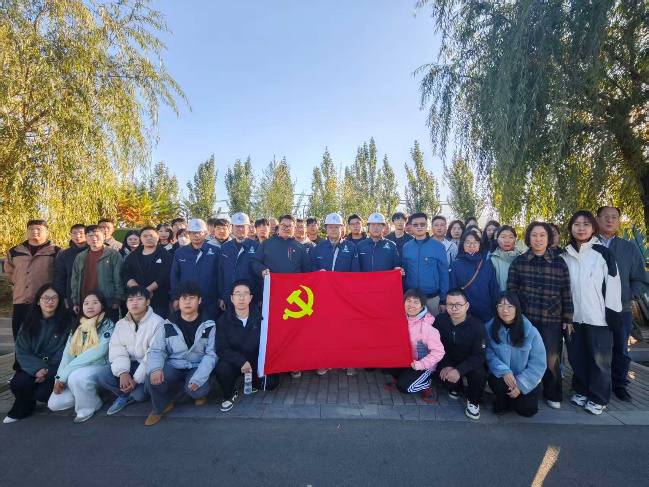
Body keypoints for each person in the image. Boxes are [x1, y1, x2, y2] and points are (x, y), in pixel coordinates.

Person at [507, 222, 573, 409]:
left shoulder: (559, 262)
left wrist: (568, 317)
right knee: (525, 355)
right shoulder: (519, 262)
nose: (538, 239)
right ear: (528, 238)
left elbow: (566, 291)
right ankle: (526, 389)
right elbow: (511, 290)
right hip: (526, 317)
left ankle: (553, 393)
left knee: (552, 358)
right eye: (534, 235)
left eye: (542, 235)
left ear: (548, 238)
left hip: (551, 317)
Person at [562, 210, 622, 415]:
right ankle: (581, 390)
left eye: (586, 224)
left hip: (598, 317)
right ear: (571, 228)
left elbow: (613, 283)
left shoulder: (602, 253)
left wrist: (613, 313)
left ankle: (598, 398)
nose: (581, 228)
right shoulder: (564, 255)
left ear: (593, 228)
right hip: (573, 318)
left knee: (600, 360)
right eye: (577, 224)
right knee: (577, 357)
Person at [144, 282, 217, 426]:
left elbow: (211, 355)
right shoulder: (168, 324)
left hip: (196, 366)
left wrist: (198, 378)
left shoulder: (209, 325)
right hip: (174, 365)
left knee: (197, 390)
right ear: (178, 301)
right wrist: (155, 369)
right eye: (183, 298)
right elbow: (157, 350)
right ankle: (161, 406)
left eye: (191, 298)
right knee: (150, 376)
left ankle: (198, 390)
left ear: (199, 300)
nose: (187, 302)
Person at [597, 206, 649, 402]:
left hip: (621, 308)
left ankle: (619, 385)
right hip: (593, 308)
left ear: (619, 221)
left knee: (620, 349)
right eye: (606, 217)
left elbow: (640, 279)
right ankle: (595, 384)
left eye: (614, 217)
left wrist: (629, 295)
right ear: (598, 219)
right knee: (595, 348)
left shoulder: (629, 248)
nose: (610, 220)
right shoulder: (589, 245)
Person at [251, 214, 311, 379]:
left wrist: (319, 276)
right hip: (272, 298)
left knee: (292, 333)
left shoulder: (299, 247)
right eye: (284, 225)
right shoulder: (267, 244)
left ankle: (293, 364)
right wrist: (261, 270)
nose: (287, 228)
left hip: (293, 301)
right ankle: (274, 363)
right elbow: (254, 262)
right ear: (278, 228)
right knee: (274, 332)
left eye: (290, 226)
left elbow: (307, 272)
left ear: (294, 228)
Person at [4, 285, 70, 423]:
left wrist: (48, 371)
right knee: (18, 383)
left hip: (55, 368)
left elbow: (65, 350)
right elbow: (22, 350)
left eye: (54, 298)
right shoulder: (28, 323)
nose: (50, 302)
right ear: (38, 301)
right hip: (34, 366)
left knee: (43, 394)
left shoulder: (66, 323)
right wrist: (37, 369)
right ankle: (25, 407)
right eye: (46, 298)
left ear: (59, 301)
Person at [48, 290, 115, 422]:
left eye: (95, 303)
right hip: (76, 370)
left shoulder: (108, 325)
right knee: (55, 404)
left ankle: (90, 406)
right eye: (86, 303)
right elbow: (67, 355)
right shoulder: (77, 328)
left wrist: (66, 373)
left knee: (76, 376)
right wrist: (59, 379)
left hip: (100, 366)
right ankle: (87, 394)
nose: (90, 306)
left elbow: (98, 352)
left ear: (102, 306)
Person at [97, 286, 165, 415]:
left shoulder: (158, 323)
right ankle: (124, 395)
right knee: (103, 375)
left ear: (147, 302)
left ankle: (132, 392)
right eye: (130, 300)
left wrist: (136, 380)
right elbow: (117, 349)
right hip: (129, 364)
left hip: (147, 366)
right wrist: (123, 372)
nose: (134, 303)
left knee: (139, 396)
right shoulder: (121, 324)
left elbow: (153, 354)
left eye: (139, 299)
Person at [215, 280, 279, 412]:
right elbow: (222, 349)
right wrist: (241, 361)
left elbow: (269, 343)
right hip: (235, 363)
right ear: (232, 298)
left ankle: (252, 381)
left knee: (272, 383)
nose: (241, 298)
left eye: (245, 294)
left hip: (255, 362)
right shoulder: (223, 320)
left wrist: (262, 365)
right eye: (238, 294)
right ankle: (229, 394)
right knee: (222, 368)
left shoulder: (261, 317)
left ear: (251, 298)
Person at [310, 213, 360, 376]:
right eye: (330, 227)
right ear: (326, 229)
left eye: (336, 227)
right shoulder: (318, 248)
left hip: (344, 296)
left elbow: (355, 272)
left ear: (342, 228)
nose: (333, 230)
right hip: (324, 296)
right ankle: (325, 361)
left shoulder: (350, 247)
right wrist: (318, 273)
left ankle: (347, 361)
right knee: (325, 329)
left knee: (346, 329)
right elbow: (311, 268)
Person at [486, 291, 547, 417]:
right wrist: (504, 371)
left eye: (510, 306)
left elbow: (538, 364)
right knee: (497, 384)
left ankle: (513, 400)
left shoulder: (531, 331)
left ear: (517, 308)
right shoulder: (489, 328)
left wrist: (520, 385)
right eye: (500, 306)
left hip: (526, 377)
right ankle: (502, 400)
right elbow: (488, 354)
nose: (505, 310)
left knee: (527, 410)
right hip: (503, 377)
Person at [5, 220, 61, 354]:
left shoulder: (55, 251)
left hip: (44, 303)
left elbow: (60, 274)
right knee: (20, 335)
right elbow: (10, 272)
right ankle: (20, 364)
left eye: (39, 229)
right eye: (31, 229)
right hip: (21, 300)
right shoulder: (15, 251)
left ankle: (41, 365)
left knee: (42, 337)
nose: (34, 232)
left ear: (47, 232)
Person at [433, 288, 488, 420]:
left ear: (467, 305)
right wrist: (446, 364)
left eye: (458, 304)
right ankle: (456, 388)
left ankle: (474, 401)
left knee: (479, 374)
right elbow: (435, 346)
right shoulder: (439, 321)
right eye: (450, 304)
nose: (454, 308)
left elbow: (479, 355)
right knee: (439, 372)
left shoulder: (478, 326)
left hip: (469, 363)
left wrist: (459, 370)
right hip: (448, 360)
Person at [384, 289, 444, 403]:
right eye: (408, 301)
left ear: (422, 306)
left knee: (404, 387)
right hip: (408, 361)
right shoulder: (401, 319)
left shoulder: (427, 328)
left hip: (423, 366)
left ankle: (428, 384)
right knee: (385, 359)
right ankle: (402, 378)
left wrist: (421, 364)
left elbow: (438, 352)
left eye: (416, 302)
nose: (411, 305)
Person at [71, 224, 124, 323]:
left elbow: (119, 278)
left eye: (97, 235)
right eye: (90, 236)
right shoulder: (80, 257)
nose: (94, 238)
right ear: (86, 238)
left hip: (108, 301)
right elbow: (75, 280)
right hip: (85, 302)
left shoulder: (113, 254)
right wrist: (75, 301)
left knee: (107, 328)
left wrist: (118, 298)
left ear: (104, 237)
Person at [170, 218, 220, 320]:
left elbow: (220, 275)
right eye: (193, 233)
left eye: (199, 232)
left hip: (209, 300)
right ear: (188, 234)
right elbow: (174, 275)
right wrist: (175, 297)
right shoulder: (180, 252)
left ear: (205, 233)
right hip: (187, 300)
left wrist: (221, 297)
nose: (196, 235)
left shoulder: (215, 251)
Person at [401, 212, 449, 316]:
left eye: (422, 224)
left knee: (435, 325)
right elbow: (405, 273)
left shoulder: (438, 247)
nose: (419, 227)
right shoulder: (406, 247)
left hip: (432, 298)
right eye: (415, 225)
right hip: (412, 298)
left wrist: (443, 300)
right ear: (411, 226)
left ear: (427, 226)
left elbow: (444, 274)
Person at [121, 226, 172, 318]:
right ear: (141, 238)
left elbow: (165, 275)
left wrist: (148, 290)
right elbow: (126, 274)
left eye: (152, 236)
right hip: (137, 298)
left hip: (159, 300)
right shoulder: (133, 256)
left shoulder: (165, 255)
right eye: (145, 236)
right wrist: (140, 290)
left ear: (158, 237)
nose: (148, 238)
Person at [449, 229, 499, 323]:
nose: (471, 246)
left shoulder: (487, 265)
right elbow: (453, 290)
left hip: (485, 312)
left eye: (475, 242)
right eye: (468, 242)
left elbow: (493, 289)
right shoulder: (455, 265)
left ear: (479, 245)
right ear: (463, 244)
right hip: (464, 314)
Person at [218, 213, 261, 310]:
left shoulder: (256, 247)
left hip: (250, 298)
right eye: (237, 226)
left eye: (242, 226)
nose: (240, 229)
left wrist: (259, 297)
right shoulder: (225, 247)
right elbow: (221, 273)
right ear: (232, 228)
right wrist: (221, 297)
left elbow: (259, 276)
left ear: (248, 228)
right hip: (229, 297)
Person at [53, 224, 88, 312]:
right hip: (71, 296)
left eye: (81, 233)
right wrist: (63, 297)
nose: (77, 236)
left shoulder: (93, 251)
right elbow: (60, 277)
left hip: (92, 295)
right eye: (74, 233)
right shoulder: (65, 254)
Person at [489, 225, 522, 292]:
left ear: (515, 239)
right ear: (497, 240)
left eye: (511, 237)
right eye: (503, 237)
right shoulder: (492, 261)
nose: (507, 241)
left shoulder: (522, 259)